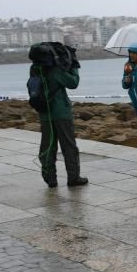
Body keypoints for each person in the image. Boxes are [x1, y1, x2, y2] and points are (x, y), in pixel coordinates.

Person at [34, 60, 88, 188]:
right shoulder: (55, 70)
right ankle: (73, 177)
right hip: (61, 112)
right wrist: (74, 68)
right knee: (68, 146)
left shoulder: (36, 68)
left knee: (48, 146)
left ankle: (50, 178)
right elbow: (73, 83)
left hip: (44, 113)